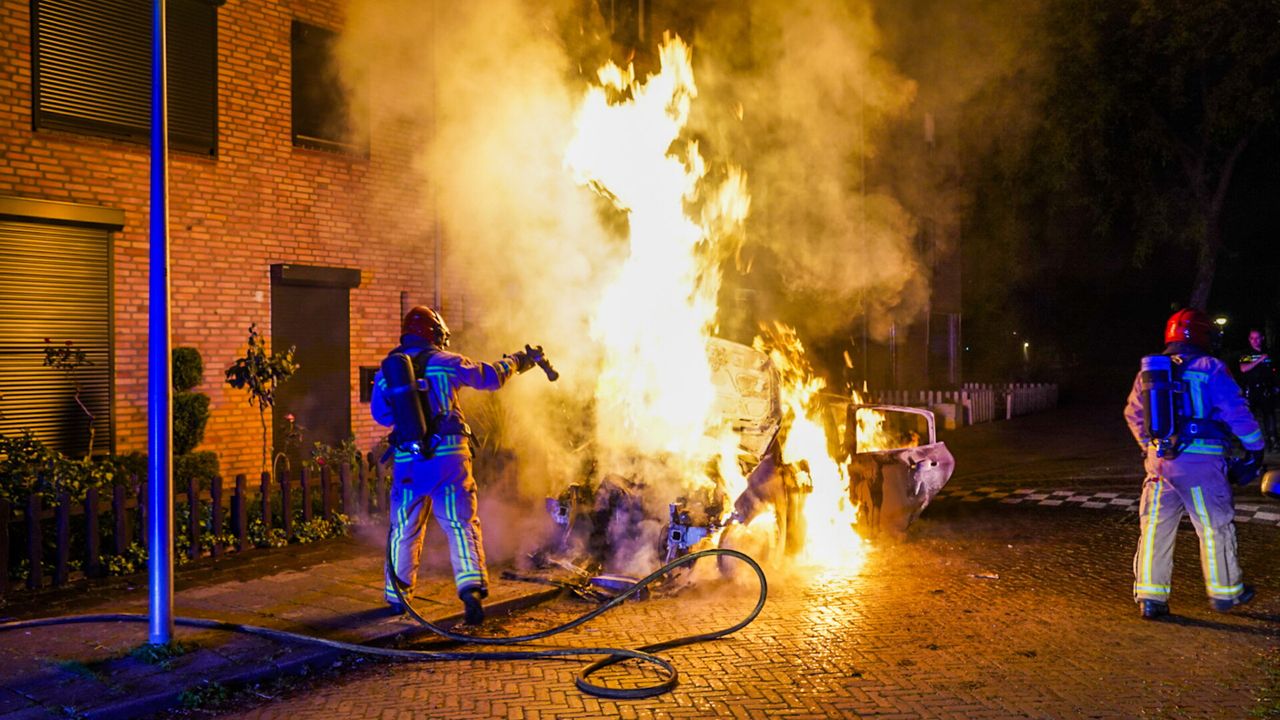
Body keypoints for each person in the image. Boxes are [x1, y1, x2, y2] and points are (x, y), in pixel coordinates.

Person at [370, 306, 543, 624]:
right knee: (460, 525)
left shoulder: (385, 375)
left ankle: (397, 598)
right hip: (449, 461)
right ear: (435, 335)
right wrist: (518, 361)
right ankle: (470, 590)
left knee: (403, 530)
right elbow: (490, 377)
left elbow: (381, 416)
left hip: (409, 463)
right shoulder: (448, 363)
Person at [1124, 308, 1264, 619]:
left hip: (1159, 466)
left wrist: (1152, 446)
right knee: (1214, 527)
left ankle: (1150, 598)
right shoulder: (1210, 367)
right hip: (1201, 466)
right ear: (1202, 335)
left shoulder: (1150, 372)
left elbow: (1133, 415)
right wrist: (1256, 447)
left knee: (1155, 529)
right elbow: (1236, 412)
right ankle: (1225, 593)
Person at [1238, 328, 1278, 450]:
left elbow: (1274, 371)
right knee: (1249, 417)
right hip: (1251, 390)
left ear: (1262, 338)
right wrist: (1260, 359)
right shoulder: (1246, 354)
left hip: (1266, 390)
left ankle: (1273, 441)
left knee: (1269, 416)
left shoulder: (1270, 353)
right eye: (1252, 338)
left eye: (1257, 338)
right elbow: (1244, 368)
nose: (1255, 341)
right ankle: (1247, 443)